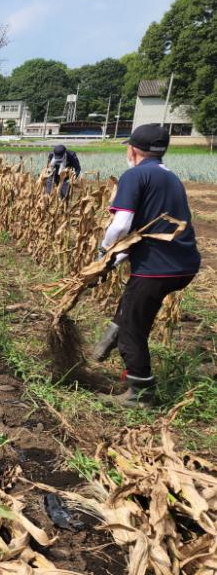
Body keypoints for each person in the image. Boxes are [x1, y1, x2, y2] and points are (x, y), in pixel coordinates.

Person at [93, 124, 200, 408]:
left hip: (157, 267)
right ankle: (105, 343)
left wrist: (104, 254)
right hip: (184, 264)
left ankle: (140, 393)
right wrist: (113, 261)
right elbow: (147, 230)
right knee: (133, 302)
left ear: (132, 150)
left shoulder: (135, 175)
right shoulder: (170, 178)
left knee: (133, 328)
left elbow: (122, 225)